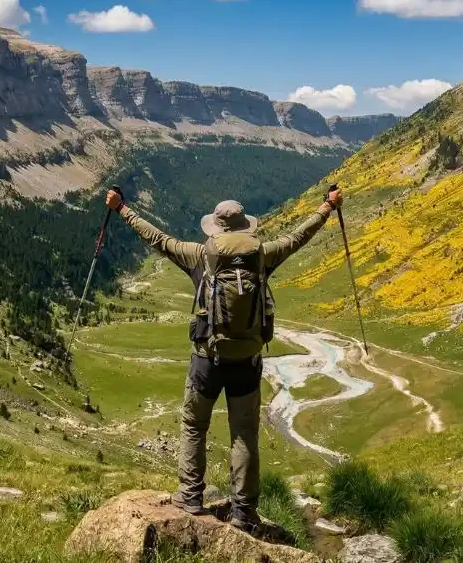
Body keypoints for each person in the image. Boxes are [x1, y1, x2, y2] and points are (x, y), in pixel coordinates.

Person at [105, 185, 343, 531]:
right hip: (247, 361)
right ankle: (244, 513)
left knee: (194, 425)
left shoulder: (199, 255)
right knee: (244, 434)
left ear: (215, 228)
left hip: (207, 359)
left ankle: (190, 497)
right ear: (245, 226)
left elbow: (157, 238)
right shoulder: (263, 255)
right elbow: (298, 236)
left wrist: (122, 208)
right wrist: (327, 206)